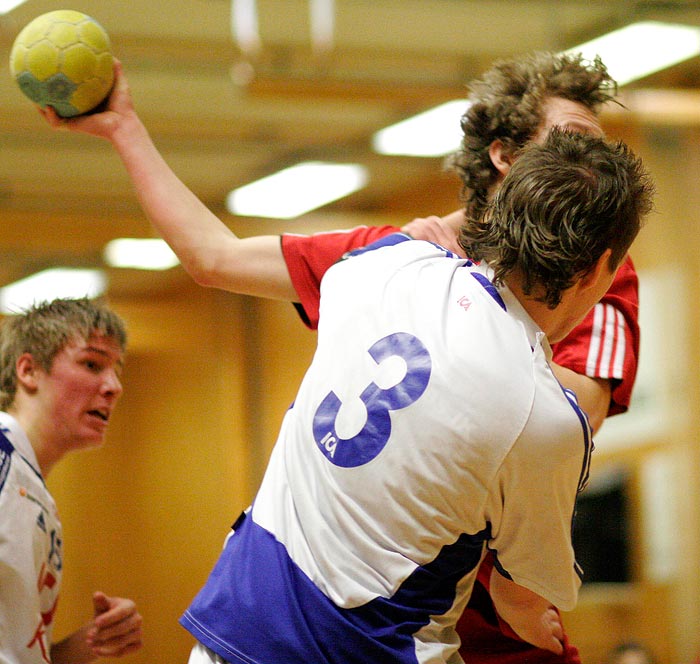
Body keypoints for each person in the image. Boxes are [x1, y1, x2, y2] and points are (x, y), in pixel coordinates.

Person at [39, 52, 640, 663]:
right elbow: (213, 257)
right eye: (568, 142)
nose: (585, 163)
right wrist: (125, 127)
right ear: (504, 155)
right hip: (388, 623)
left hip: (464, 616)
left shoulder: (390, 263)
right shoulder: (404, 250)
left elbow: (577, 413)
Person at [179, 129, 652, 662]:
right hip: (364, 651)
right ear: (596, 271)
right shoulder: (546, 419)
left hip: (236, 627)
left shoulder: (384, 264)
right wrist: (529, 614)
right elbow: (520, 597)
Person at [0, 298, 143, 664]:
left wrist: (92, 641)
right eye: (92, 364)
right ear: (29, 371)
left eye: (116, 370)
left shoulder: (30, 487)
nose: (114, 386)